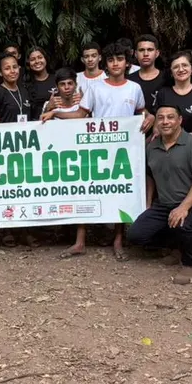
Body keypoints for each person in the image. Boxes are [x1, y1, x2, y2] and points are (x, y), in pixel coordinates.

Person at [63, 42, 151, 260]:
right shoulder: (95, 88)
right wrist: (55, 113)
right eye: (111, 60)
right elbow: (80, 115)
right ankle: (80, 241)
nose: (115, 64)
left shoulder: (134, 88)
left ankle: (118, 239)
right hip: (96, 148)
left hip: (124, 150)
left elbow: (141, 111)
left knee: (120, 192)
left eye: (119, 59)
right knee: (86, 189)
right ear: (106, 63)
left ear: (127, 63)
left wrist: (150, 117)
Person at [127, 104, 192, 285]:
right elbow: (150, 176)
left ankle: (189, 263)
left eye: (170, 117)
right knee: (136, 234)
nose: (165, 121)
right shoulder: (152, 146)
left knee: (182, 223)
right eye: (161, 117)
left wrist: (183, 208)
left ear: (179, 120)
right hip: (165, 203)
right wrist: (148, 204)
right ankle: (174, 246)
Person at [0, 53, 38, 247]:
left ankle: (25, 231)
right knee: (7, 191)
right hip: (5, 150)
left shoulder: (24, 91)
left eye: (15, 67)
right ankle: (7, 231)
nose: (12, 71)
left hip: (24, 149)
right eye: (7, 68)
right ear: (0, 72)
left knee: (24, 190)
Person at [155, 51, 192, 134]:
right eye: (176, 67)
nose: (181, 69)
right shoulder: (163, 93)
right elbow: (157, 125)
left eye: (184, 65)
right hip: (168, 143)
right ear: (171, 72)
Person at [129, 35, 171, 115]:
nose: (145, 54)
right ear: (135, 54)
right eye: (141, 50)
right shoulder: (129, 80)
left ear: (157, 53)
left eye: (150, 50)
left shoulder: (167, 79)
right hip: (134, 126)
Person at [24, 47, 56, 120]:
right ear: (28, 63)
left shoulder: (57, 79)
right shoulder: (25, 86)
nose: (37, 61)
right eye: (32, 59)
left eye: (40, 57)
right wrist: (47, 107)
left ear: (46, 59)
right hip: (37, 125)